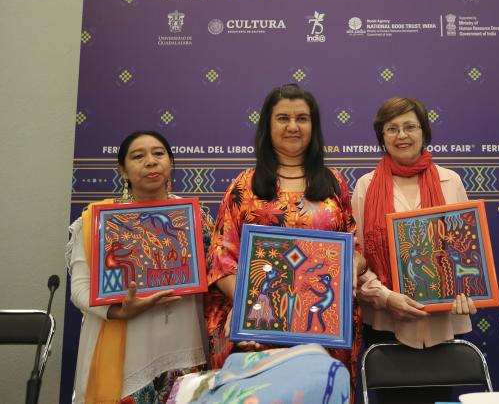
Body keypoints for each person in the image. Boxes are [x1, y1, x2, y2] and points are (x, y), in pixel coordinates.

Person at [204, 84, 365, 402]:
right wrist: (258, 310)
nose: (293, 126)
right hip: (259, 329)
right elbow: (222, 260)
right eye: (283, 118)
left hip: (322, 326)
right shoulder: (244, 186)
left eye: (302, 118)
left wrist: (349, 267)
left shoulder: (334, 183)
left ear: (313, 126)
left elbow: (355, 250)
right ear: (268, 126)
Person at [66, 130, 212, 404]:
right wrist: (118, 311)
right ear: (122, 170)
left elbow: (215, 277)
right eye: (138, 156)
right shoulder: (96, 222)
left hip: (184, 348)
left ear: (171, 162)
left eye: (158, 153)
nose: (151, 161)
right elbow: (80, 288)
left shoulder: (196, 220)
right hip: (126, 357)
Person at [351, 97, 477, 404]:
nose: (402, 135)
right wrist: (385, 297)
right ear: (382, 136)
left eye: (410, 126)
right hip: (386, 322)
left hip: (443, 322)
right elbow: (356, 258)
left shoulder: (450, 181)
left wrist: (468, 288)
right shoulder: (366, 186)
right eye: (392, 128)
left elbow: (465, 249)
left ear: (424, 132)